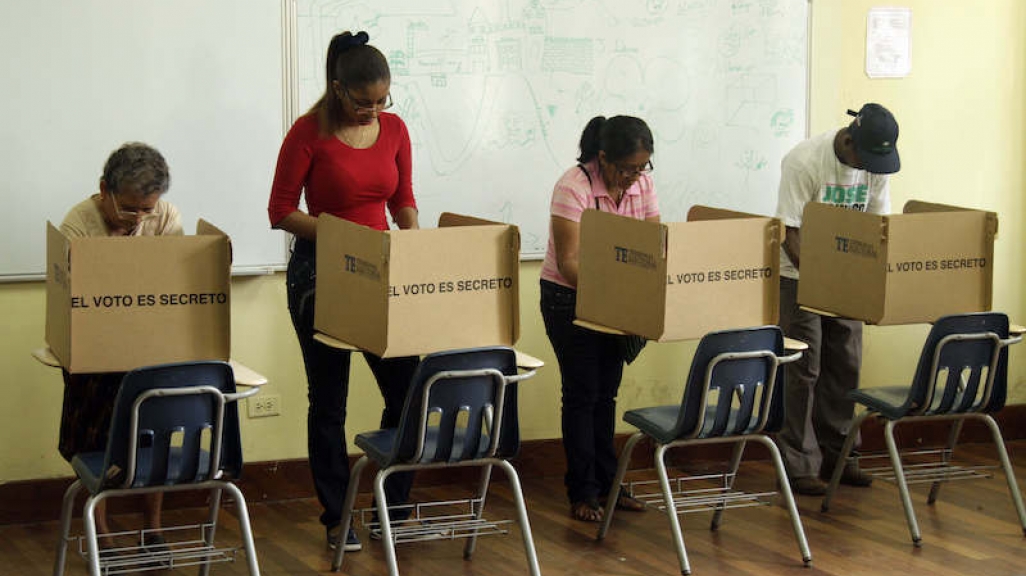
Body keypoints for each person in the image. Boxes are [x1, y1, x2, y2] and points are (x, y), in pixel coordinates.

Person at [267, 31, 420, 552]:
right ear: (338, 90)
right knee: (329, 401)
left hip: (380, 270)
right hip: (321, 274)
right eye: (363, 102)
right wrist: (339, 236)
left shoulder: (395, 129)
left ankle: (389, 502)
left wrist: (412, 241)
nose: (373, 111)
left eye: (382, 101)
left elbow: (402, 196)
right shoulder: (308, 132)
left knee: (408, 389)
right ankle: (337, 514)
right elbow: (282, 211)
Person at [58, 141, 183, 547]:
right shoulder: (77, 225)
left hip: (149, 343)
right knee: (96, 438)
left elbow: (177, 279)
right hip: (94, 349)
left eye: (148, 209)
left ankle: (153, 525)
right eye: (129, 209)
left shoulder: (163, 215)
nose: (139, 218)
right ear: (103, 190)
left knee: (155, 431)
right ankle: (102, 529)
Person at [775, 103, 900, 495]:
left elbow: (876, 228)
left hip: (847, 276)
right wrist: (820, 280)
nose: (871, 168)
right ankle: (798, 465)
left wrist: (865, 283)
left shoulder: (875, 166)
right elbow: (788, 231)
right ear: (848, 141)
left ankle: (840, 458)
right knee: (803, 369)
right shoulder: (804, 161)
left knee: (845, 364)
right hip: (799, 275)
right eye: (865, 157)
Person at [540, 115, 658, 522]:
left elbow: (651, 247)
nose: (633, 177)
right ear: (603, 158)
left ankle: (610, 484)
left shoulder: (642, 184)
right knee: (582, 394)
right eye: (626, 169)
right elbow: (570, 262)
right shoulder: (573, 187)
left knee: (606, 393)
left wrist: (638, 296)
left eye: (641, 168)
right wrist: (607, 295)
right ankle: (583, 491)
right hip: (568, 298)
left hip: (617, 298)